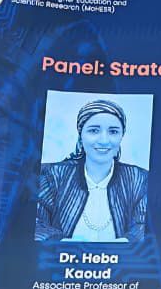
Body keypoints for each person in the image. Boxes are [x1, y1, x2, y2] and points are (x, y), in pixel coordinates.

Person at [36, 98, 149, 242]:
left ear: (122, 136)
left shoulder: (139, 179)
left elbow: (144, 225)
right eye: (94, 130)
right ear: (81, 135)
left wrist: (125, 244)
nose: (104, 140)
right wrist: (61, 244)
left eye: (113, 131)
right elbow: (36, 222)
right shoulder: (52, 175)